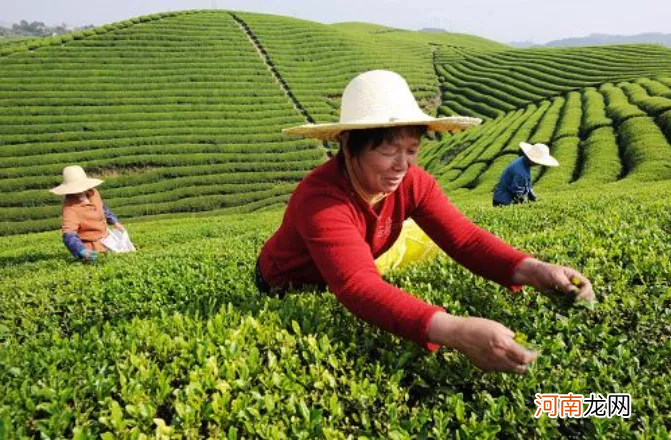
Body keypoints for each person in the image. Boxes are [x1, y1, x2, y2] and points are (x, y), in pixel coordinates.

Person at [257, 70, 594, 375]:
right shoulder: (321, 200)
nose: (402, 165)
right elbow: (356, 285)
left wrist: (533, 269)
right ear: (348, 145)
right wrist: (456, 330)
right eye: (389, 151)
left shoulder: (414, 183)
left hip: (351, 260)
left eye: (412, 150)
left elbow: (464, 239)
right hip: (288, 282)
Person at [49, 165, 125, 262]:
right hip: (92, 250)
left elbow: (102, 207)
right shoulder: (70, 208)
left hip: (108, 241)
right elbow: (69, 234)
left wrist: (115, 222)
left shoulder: (93, 193)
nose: (79, 190)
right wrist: (81, 251)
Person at [492, 142, 558, 206]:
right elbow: (519, 194)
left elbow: (527, 187)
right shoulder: (520, 172)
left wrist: (535, 198)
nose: (539, 164)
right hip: (503, 201)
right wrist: (527, 205)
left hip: (506, 197)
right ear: (532, 160)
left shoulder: (523, 161)